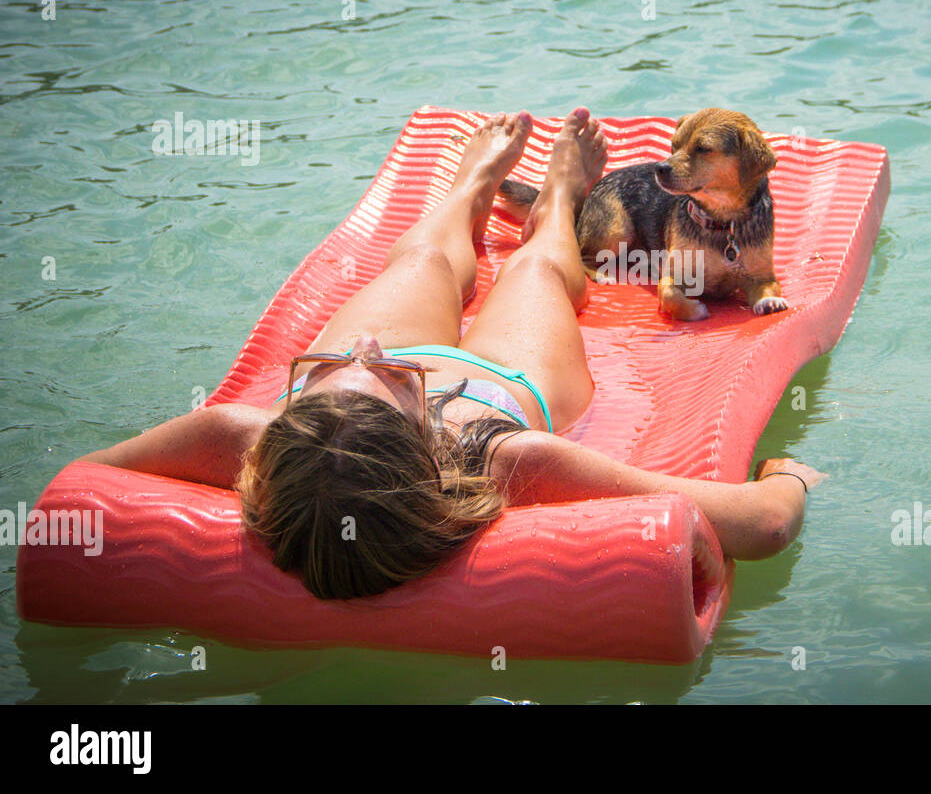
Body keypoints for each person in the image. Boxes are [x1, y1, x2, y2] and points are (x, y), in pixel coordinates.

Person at [79, 107, 826, 599]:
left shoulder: (242, 438)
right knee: (536, 269)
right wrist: (788, 473)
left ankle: (471, 187)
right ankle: (560, 198)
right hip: (497, 389)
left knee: (420, 268)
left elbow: (81, 481)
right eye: (391, 378)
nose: (373, 351)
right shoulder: (507, 460)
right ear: (427, 443)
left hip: (358, 425)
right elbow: (762, 525)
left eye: (342, 379)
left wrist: (352, 386)